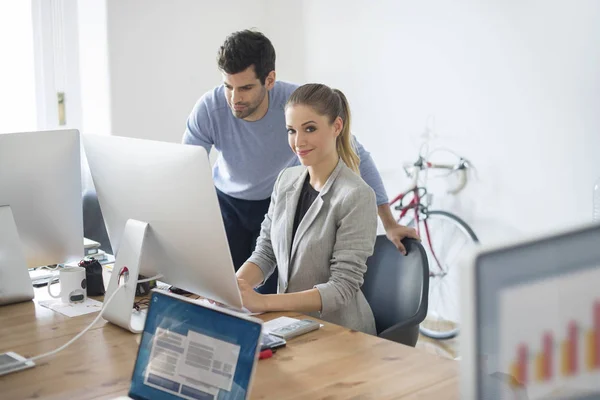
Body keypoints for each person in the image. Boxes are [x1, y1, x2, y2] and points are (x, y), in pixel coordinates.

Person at [183, 30, 418, 294]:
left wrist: (389, 223)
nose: (235, 99)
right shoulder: (209, 108)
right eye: (228, 86)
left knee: (270, 293)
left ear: (269, 79)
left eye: (246, 88)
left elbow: (358, 155)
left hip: (276, 203)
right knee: (223, 290)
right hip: (227, 203)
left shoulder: (296, 105)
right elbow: (187, 169)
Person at [236, 83, 377, 334]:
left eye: (309, 129)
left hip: (340, 333)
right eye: (291, 131)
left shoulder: (357, 196)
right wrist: (234, 287)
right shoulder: (286, 180)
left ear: (337, 126)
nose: (298, 141)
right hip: (291, 323)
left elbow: (342, 287)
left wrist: (264, 302)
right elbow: (266, 252)